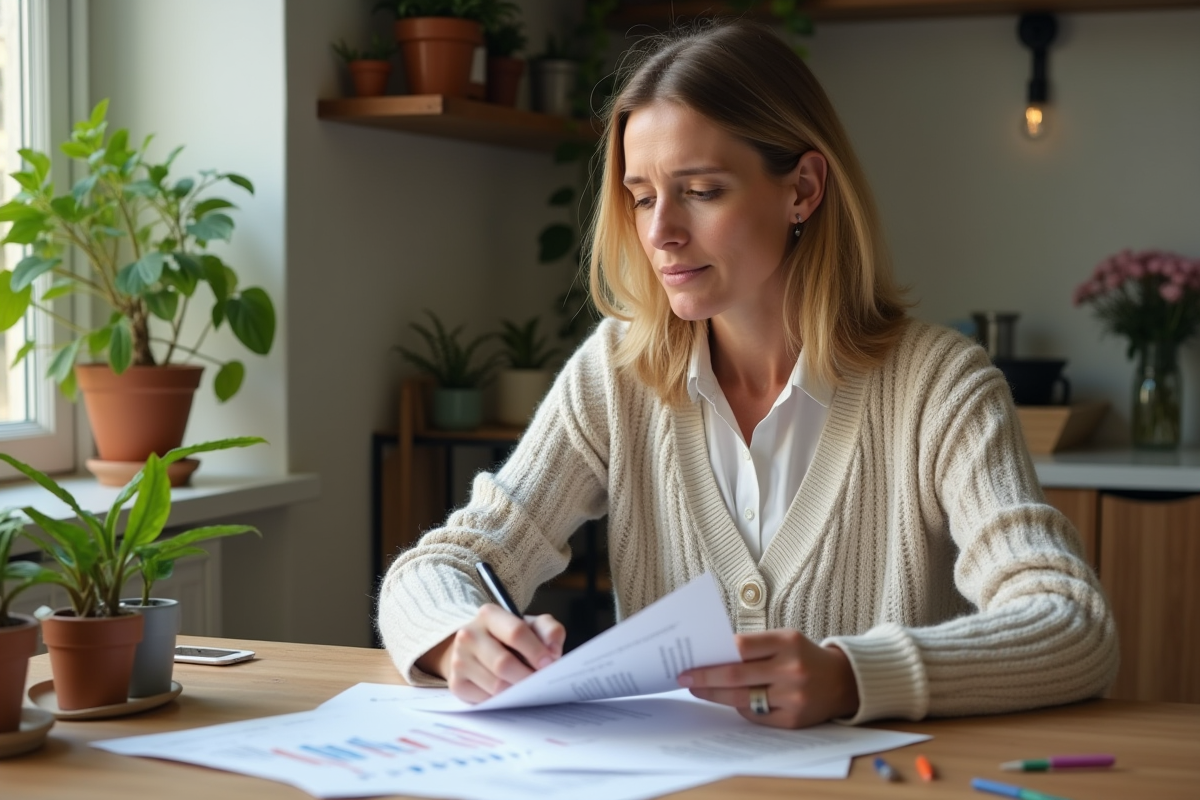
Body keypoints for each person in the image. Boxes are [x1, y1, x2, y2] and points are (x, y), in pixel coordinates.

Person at [377, 18, 1117, 729]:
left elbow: (1071, 623)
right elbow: (439, 565)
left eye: (701, 191)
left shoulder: (940, 386)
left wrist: (852, 676)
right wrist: (455, 638)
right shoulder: (618, 371)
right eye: (640, 197)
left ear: (803, 189)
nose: (660, 231)